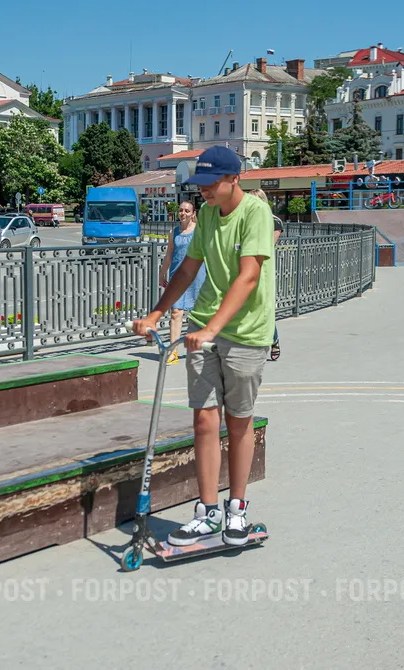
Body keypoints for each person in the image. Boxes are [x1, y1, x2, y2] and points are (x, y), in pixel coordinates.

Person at [132, 146, 275, 548]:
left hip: (246, 330)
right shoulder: (208, 215)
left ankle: (237, 509)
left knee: (239, 420)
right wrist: (156, 313)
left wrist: (213, 328)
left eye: (212, 184)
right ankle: (208, 512)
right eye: (201, 185)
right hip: (205, 325)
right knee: (204, 420)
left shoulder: (256, 213)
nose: (205, 192)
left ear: (234, 179)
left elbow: (248, 277)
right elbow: (187, 269)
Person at [157, 200, 206, 364]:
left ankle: (201, 348)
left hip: (197, 275)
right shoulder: (174, 232)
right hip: (177, 277)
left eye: (187, 211)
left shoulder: (199, 231)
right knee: (176, 312)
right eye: (181, 210)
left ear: (193, 214)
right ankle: (173, 352)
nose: (183, 213)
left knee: (198, 313)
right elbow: (169, 255)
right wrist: (162, 274)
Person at [249, 188, 282, 360]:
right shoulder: (245, 220)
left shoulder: (274, 221)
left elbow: (269, 245)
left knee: (264, 308)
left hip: (264, 269)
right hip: (245, 267)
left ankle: (273, 339)